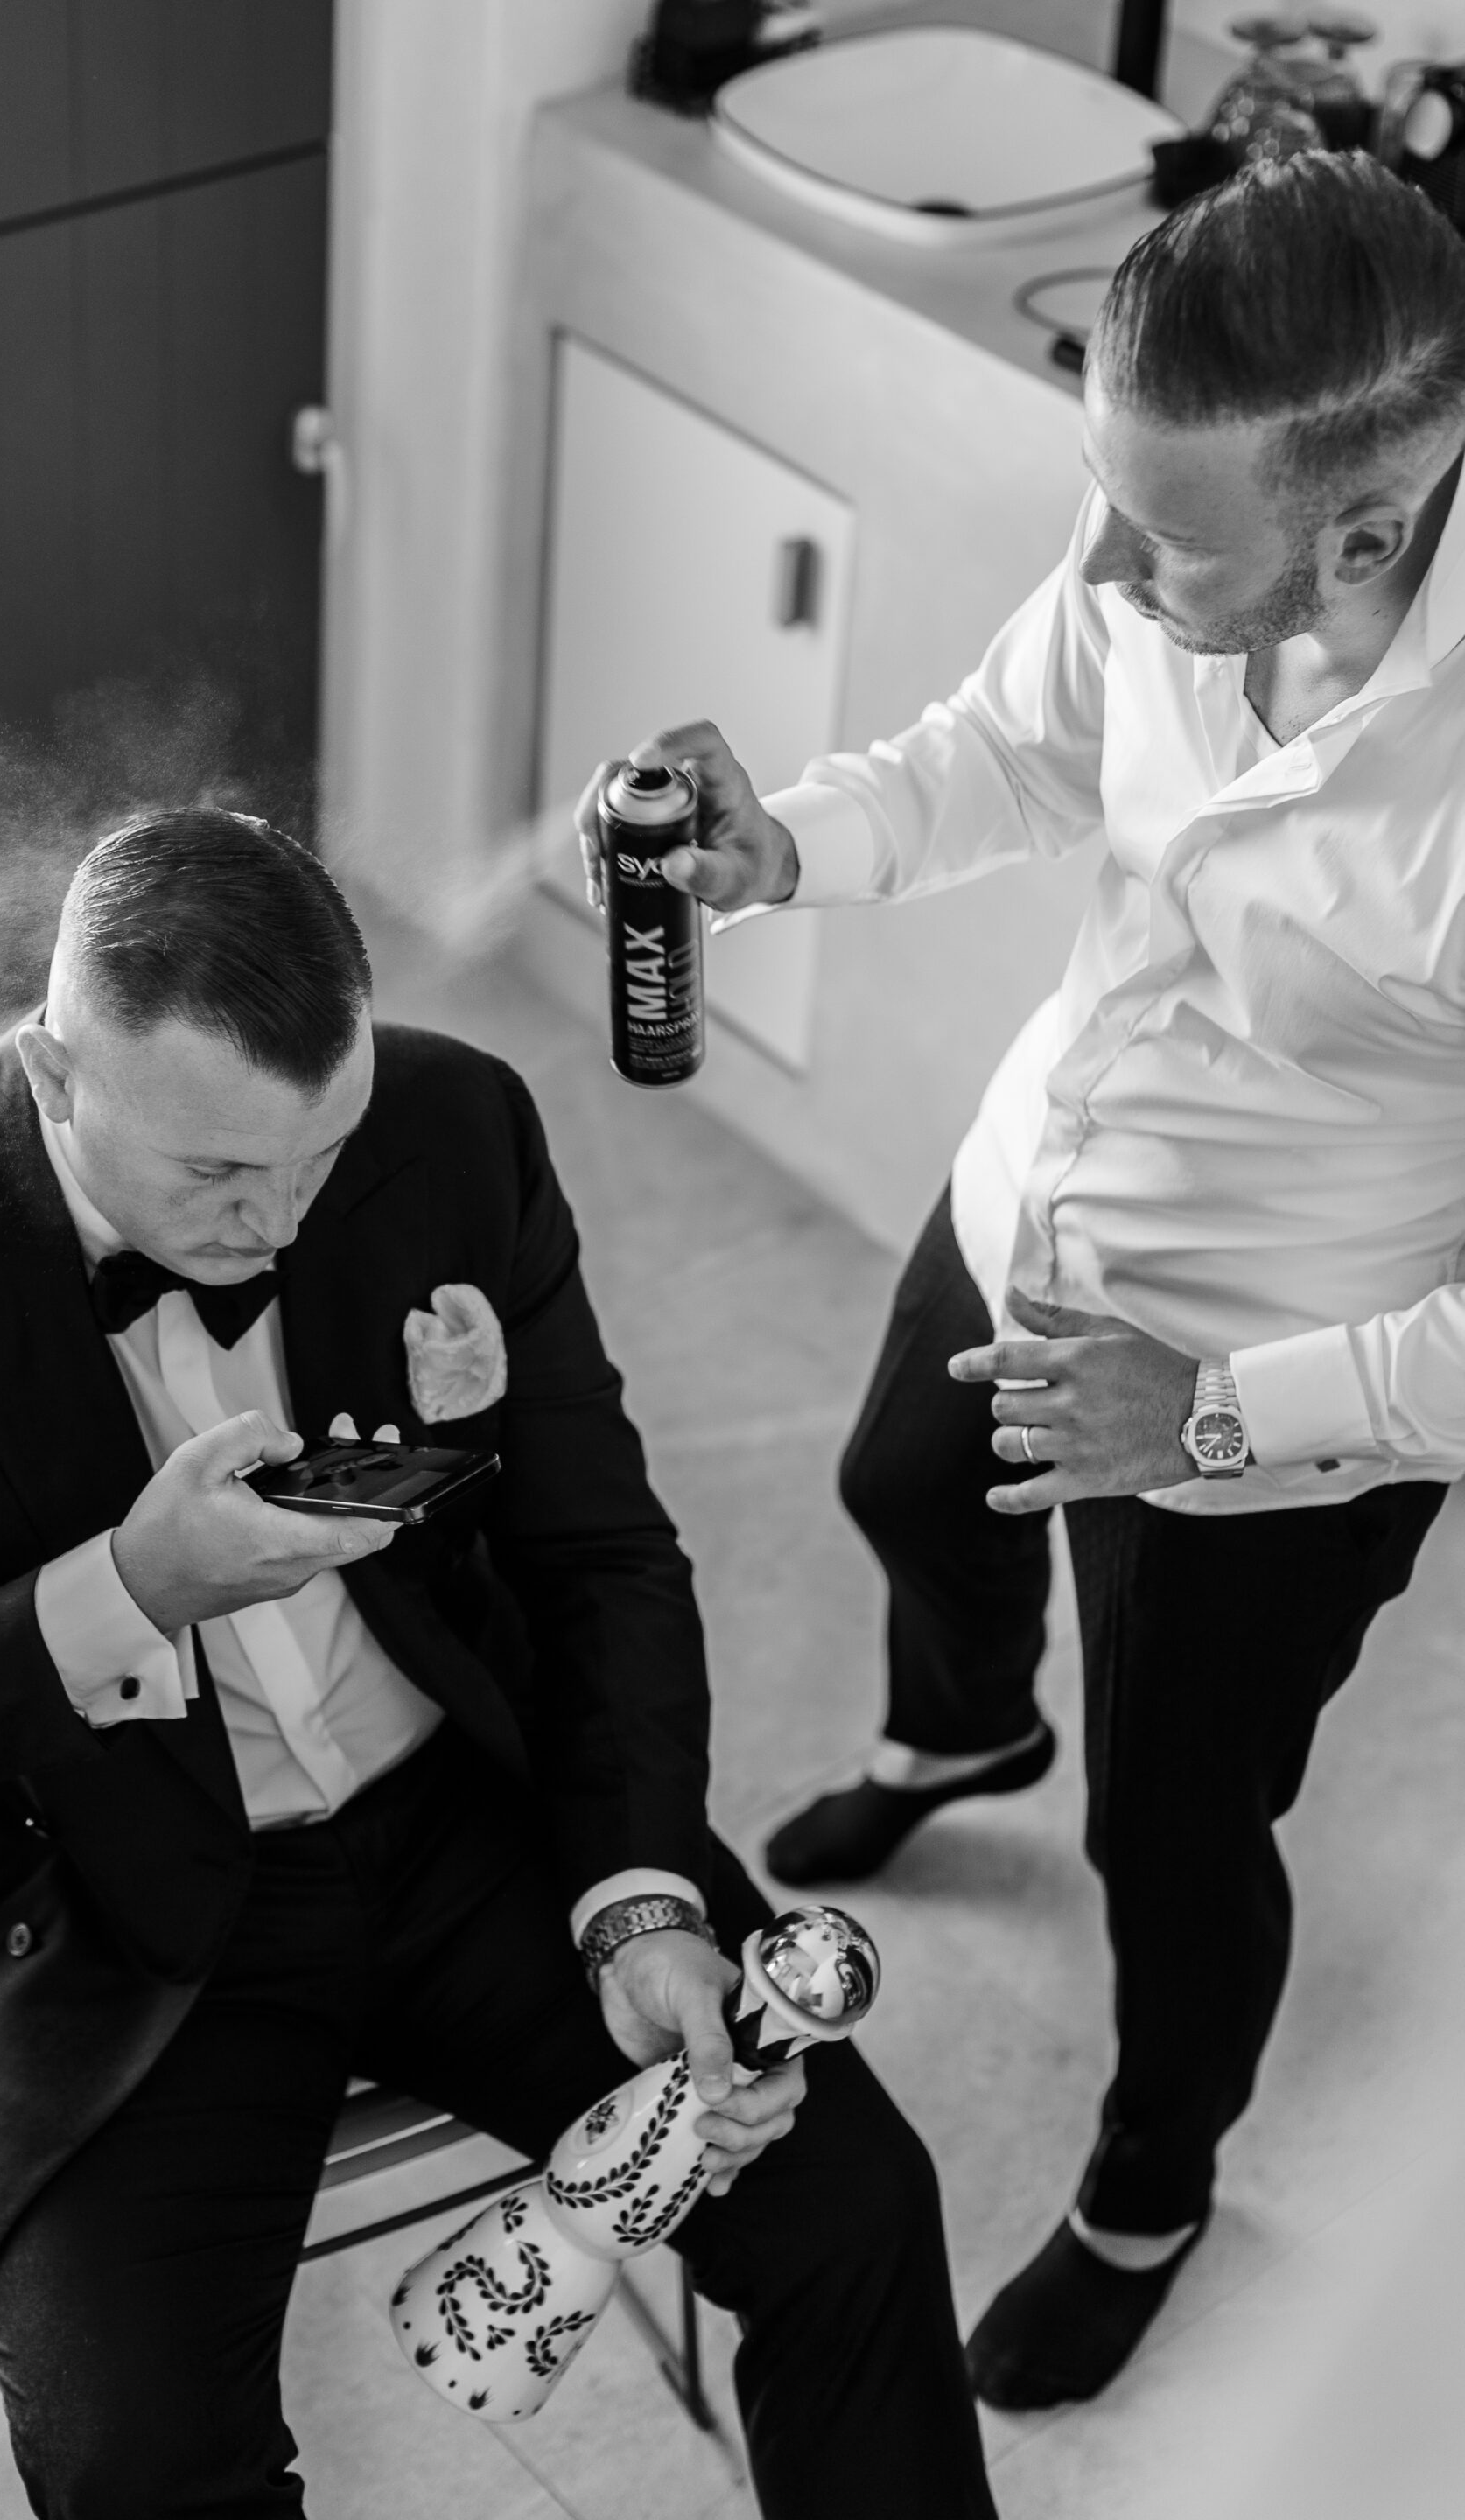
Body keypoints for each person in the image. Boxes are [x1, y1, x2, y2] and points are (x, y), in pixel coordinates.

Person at [0, 808, 995, 2520]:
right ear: (57, 1074)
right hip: (101, 1918)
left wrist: (642, 1898)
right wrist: (124, 1588)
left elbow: (599, 1552)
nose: (280, 1225)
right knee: (141, 2471)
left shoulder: (447, 1117)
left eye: (317, 1156)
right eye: (216, 1175)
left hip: (471, 1825)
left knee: (854, 2202)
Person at [578, 151, 1465, 2411]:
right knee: (900, 1484)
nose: (1093, 563)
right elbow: (1006, 741)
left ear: (1365, 532)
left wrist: (1220, 1419)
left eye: (1157, 535)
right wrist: (787, 845)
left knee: (1177, 1831)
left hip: (1269, 1381)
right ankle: (960, 1718)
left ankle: (1150, 2192)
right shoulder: (1156, 564)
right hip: (1027, 1205)